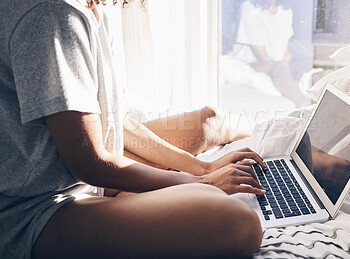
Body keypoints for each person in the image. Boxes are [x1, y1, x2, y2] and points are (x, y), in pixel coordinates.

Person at [0, 0, 267, 258]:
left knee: (208, 123)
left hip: (78, 171)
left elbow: (113, 120)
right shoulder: (54, 14)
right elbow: (89, 163)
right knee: (239, 223)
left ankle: (289, 141)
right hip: (35, 209)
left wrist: (201, 167)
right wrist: (201, 182)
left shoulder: (91, 7)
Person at [231, 0, 308, 107]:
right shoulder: (249, 8)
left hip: (276, 63)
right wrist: (283, 67)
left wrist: (288, 65)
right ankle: (304, 103)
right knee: (278, 67)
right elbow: (263, 57)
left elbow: (286, 53)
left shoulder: (285, 10)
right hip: (248, 64)